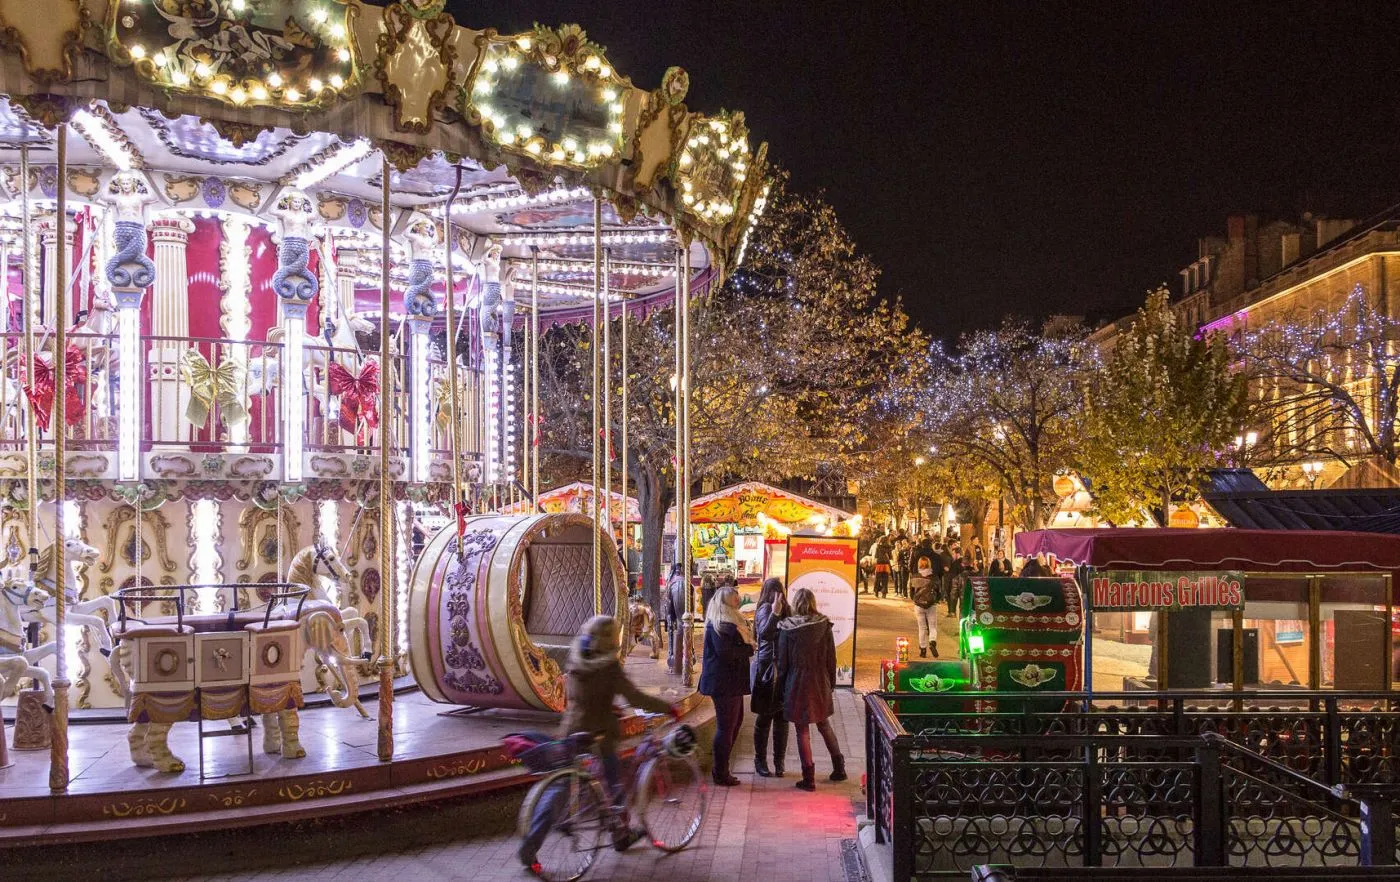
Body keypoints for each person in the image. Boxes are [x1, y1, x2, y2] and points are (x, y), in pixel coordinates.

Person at [520, 615, 678, 869]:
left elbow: (581, 694)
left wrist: (603, 703)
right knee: (615, 782)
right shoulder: (609, 666)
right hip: (600, 735)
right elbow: (635, 697)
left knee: (561, 785)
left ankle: (531, 842)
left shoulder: (576, 657)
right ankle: (621, 835)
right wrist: (667, 707)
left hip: (572, 729)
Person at [776, 587, 847, 791]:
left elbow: (783, 664)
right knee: (824, 723)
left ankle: (809, 777)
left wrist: (780, 689)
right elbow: (830, 658)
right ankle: (838, 767)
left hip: (796, 682)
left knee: (802, 730)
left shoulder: (787, 629)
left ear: (795, 604)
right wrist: (830, 683)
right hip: (819, 679)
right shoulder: (823, 625)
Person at [699, 585, 754, 786]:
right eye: (734, 599)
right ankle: (720, 771)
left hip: (731, 681)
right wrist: (748, 649)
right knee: (726, 726)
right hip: (723, 682)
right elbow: (726, 653)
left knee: (735, 722)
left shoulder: (732, 621)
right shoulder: (720, 624)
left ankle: (722, 767)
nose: (738, 601)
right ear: (726, 603)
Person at [750, 577, 789, 777]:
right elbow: (764, 633)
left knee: (782, 718)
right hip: (767, 668)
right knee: (765, 716)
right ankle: (760, 759)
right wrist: (774, 612)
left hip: (782, 668)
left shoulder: (786, 609)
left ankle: (779, 761)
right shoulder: (765, 609)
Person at [908, 555, 940, 657]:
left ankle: (923, 650)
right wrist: (936, 600)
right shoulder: (934, 577)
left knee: (922, 628)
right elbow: (939, 591)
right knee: (932, 626)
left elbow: (911, 591)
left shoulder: (915, 576)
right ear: (929, 564)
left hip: (918, 605)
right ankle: (932, 642)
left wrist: (915, 600)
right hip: (931, 605)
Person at [665, 563, 688, 671]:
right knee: (683, 623)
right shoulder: (683, 580)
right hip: (680, 594)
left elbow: (669, 603)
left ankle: (675, 657)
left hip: (674, 596)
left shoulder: (672, 580)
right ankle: (684, 656)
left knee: (677, 623)